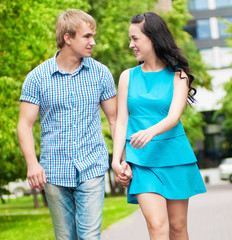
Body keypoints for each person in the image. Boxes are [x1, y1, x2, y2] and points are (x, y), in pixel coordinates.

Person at [17, 9, 118, 240]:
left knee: (90, 236)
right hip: (54, 170)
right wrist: (32, 165)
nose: (93, 42)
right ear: (68, 38)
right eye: (87, 36)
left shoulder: (100, 73)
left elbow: (114, 119)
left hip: (92, 165)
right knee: (65, 238)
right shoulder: (37, 77)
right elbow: (24, 124)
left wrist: (119, 159)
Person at [112, 12, 206, 240]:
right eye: (130, 39)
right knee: (157, 225)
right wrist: (117, 160)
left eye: (135, 39)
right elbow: (121, 120)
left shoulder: (179, 76)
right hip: (141, 161)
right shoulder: (127, 77)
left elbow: (173, 117)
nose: (130, 45)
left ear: (152, 38)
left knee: (178, 227)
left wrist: (150, 131)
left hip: (174, 157)